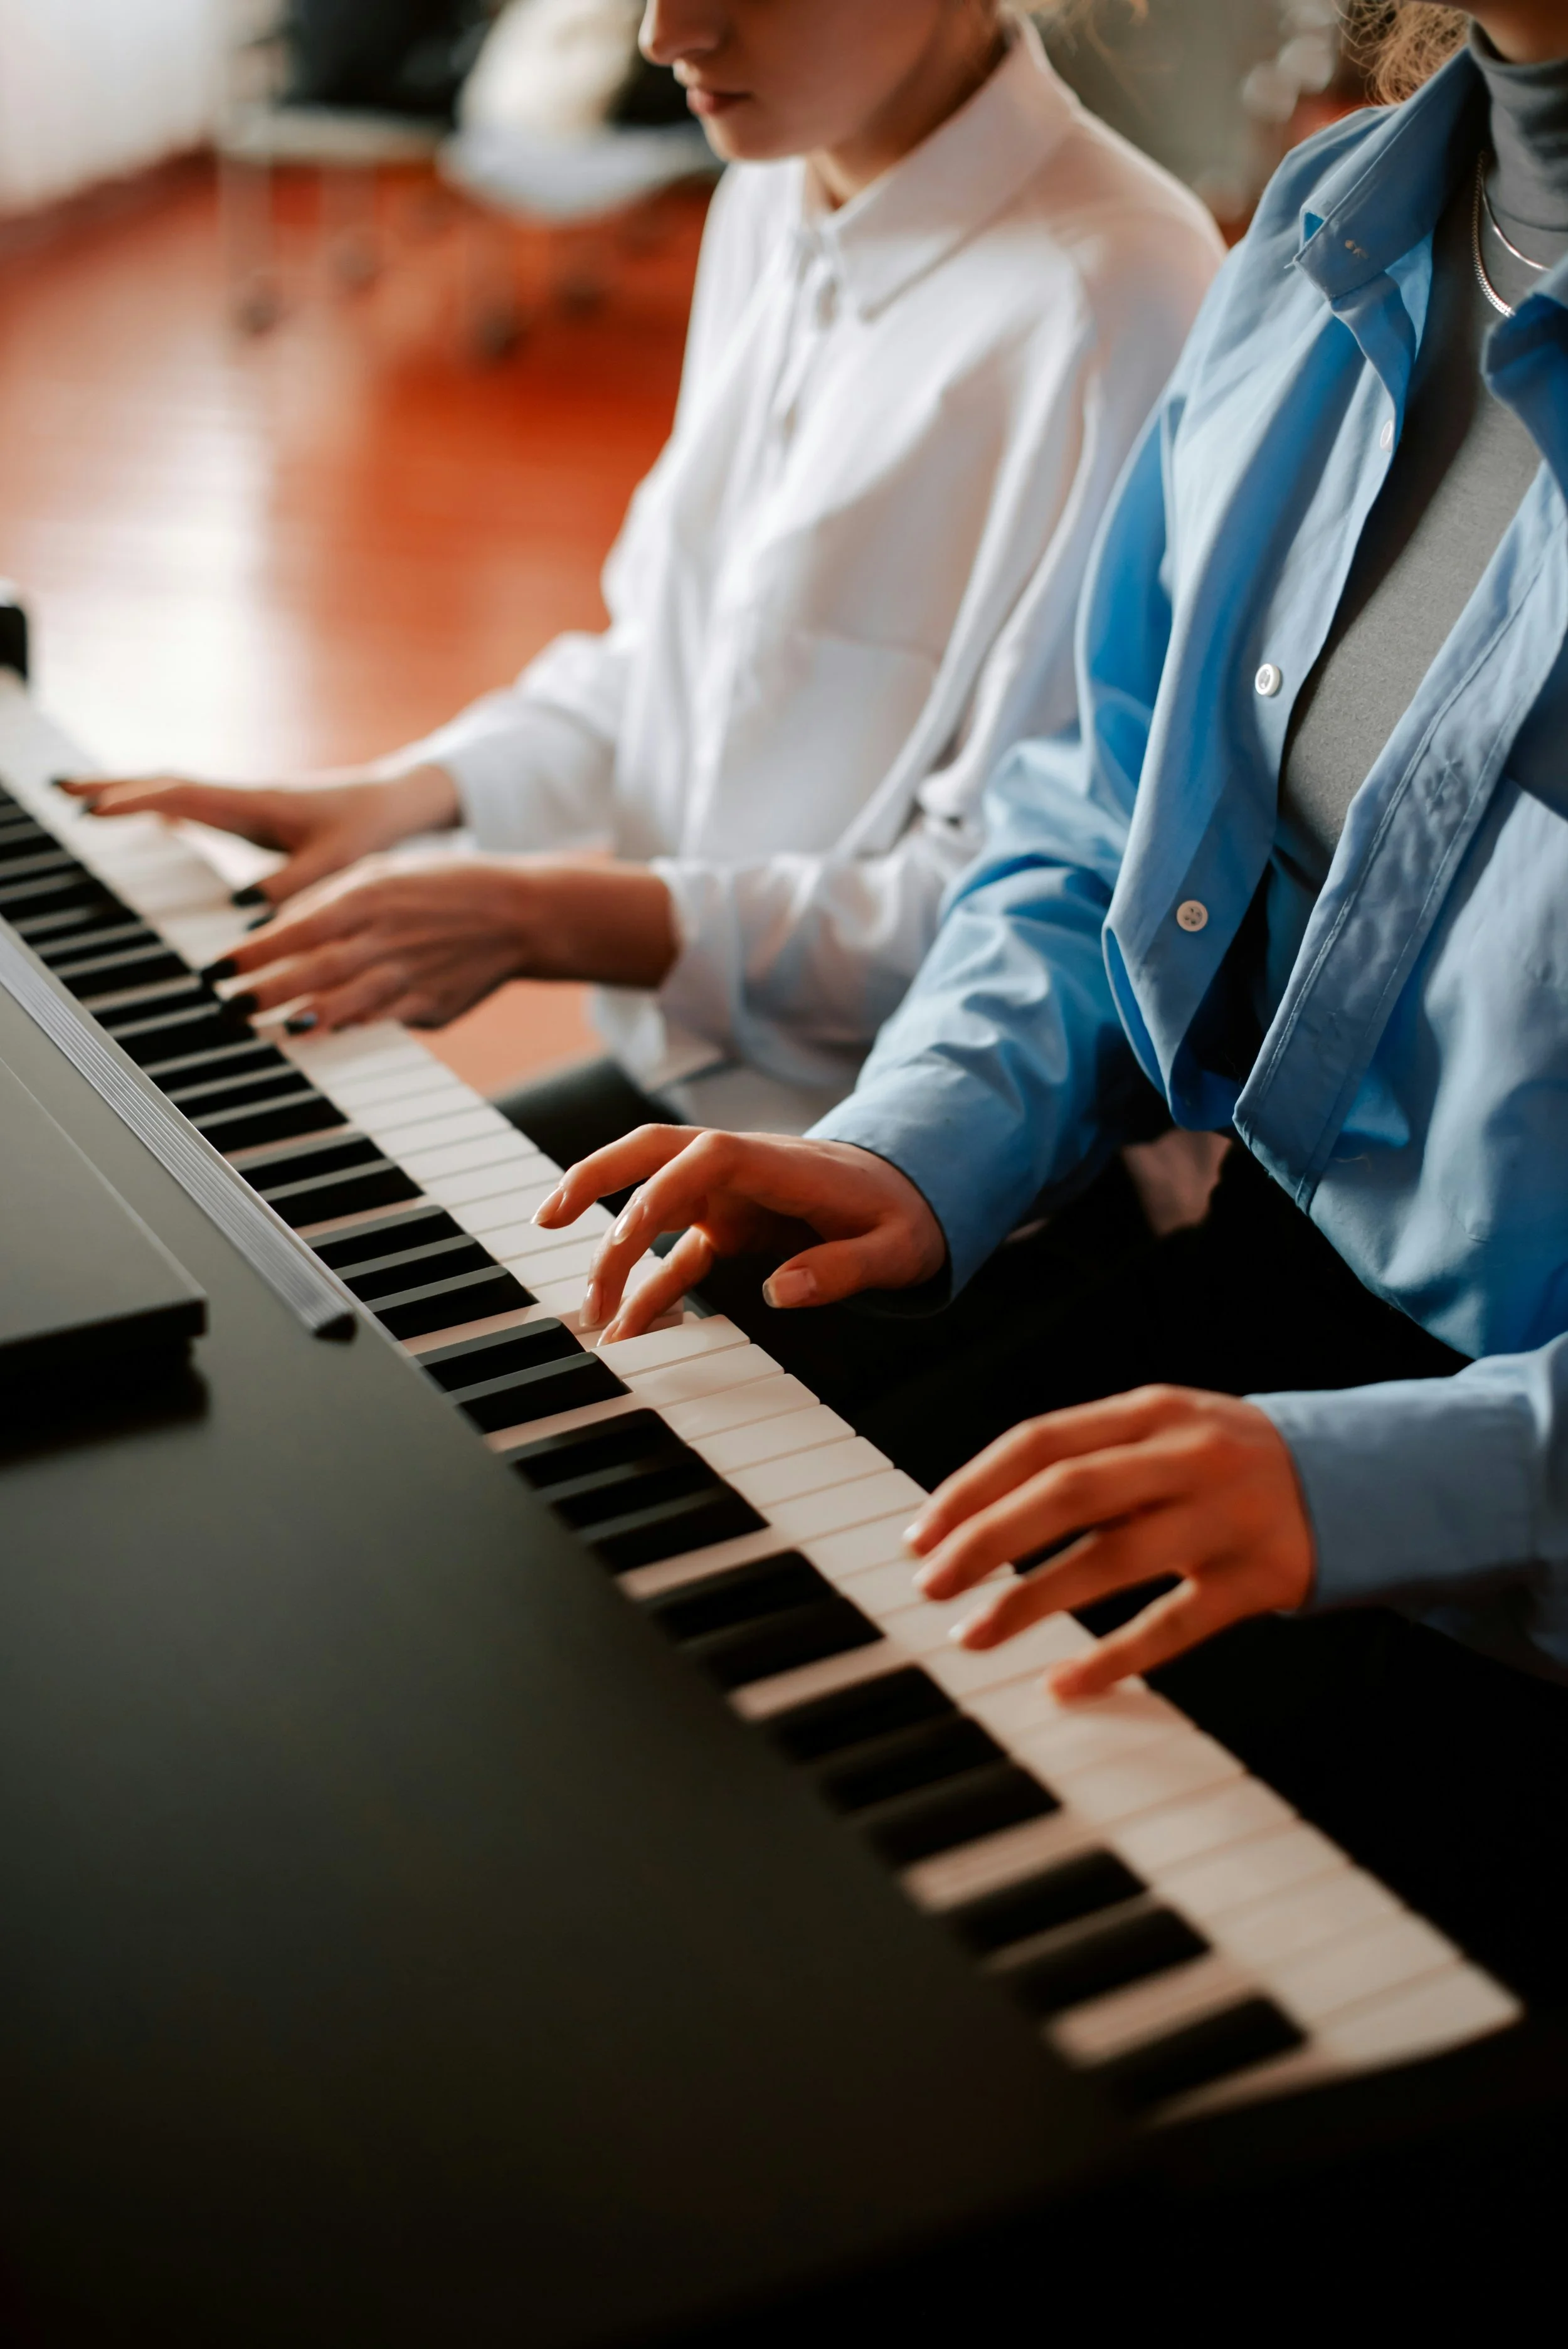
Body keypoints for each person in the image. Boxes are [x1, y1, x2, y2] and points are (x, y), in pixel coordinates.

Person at [533, 3, 1568, 1998]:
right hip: (1242, 1354)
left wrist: (1359, 1485)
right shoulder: (1331, 224)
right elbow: (1106, 809)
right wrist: (923, 1140)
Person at [66, 0, 1221, 1167]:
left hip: (930, 1159)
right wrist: (407, 796)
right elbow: (668, 662)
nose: (665, 35)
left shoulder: (1121, 299)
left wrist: (543, 917)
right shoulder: (770, 193)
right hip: (703, 1072)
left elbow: (1035, 919)